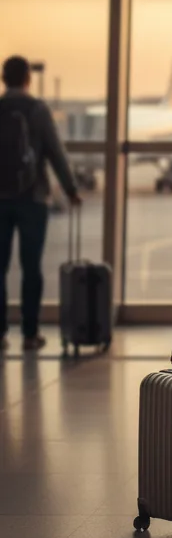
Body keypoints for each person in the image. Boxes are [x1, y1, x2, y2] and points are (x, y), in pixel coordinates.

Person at [0, 55, 81, 353]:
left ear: (3, 78)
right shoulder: (37, 110)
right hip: (33, 199)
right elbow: (55, 153)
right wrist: (71, 188)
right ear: (27, 79)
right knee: (30, 266)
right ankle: (31, 333)